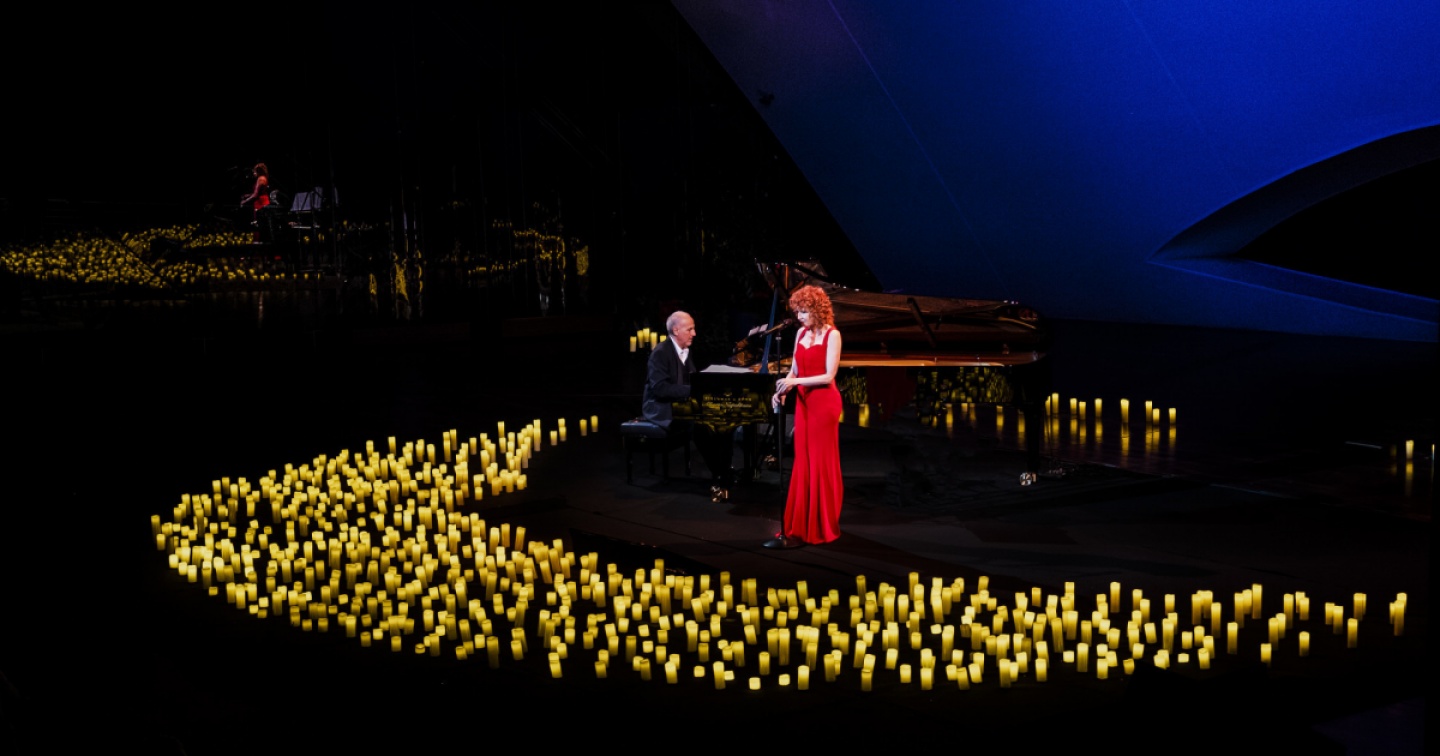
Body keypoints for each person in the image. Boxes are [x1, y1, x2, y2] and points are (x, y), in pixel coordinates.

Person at [771, 285, 843, 545]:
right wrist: (783, 390)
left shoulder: (832, 334)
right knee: (803, 459)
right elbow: (795, 369)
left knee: (820, 460)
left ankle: (821, 523)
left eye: (803, 311)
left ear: (817, 310)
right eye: (797, 312)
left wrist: (794, 382)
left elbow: (828, 376)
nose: (799, 317)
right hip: (804, 403)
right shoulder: (801, 333)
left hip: (824, 403)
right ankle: (801, 521)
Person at [643, 310, 735, 496]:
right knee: (700, 426)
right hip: (661, 407)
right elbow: (660, 389)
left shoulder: (685, 351)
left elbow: (692, 380)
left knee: (724, 419)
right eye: (690, 329)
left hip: (682, 403)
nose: (694, 333)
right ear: (676, 330)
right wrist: (694, 391)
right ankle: (718, 473)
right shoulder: (660, 353)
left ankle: (724, 469)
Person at [239, 163, 270, 242]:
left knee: (259, 223)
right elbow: (258, 192)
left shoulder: (260, 179)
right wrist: (247, 195)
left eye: (254, 172)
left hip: (261, 203)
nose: (253, 173)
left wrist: (244, 201)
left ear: (258, 171)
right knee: (258, 222)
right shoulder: (262, 178)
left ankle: (258, 242)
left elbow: (255, 195)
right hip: (260, 201)